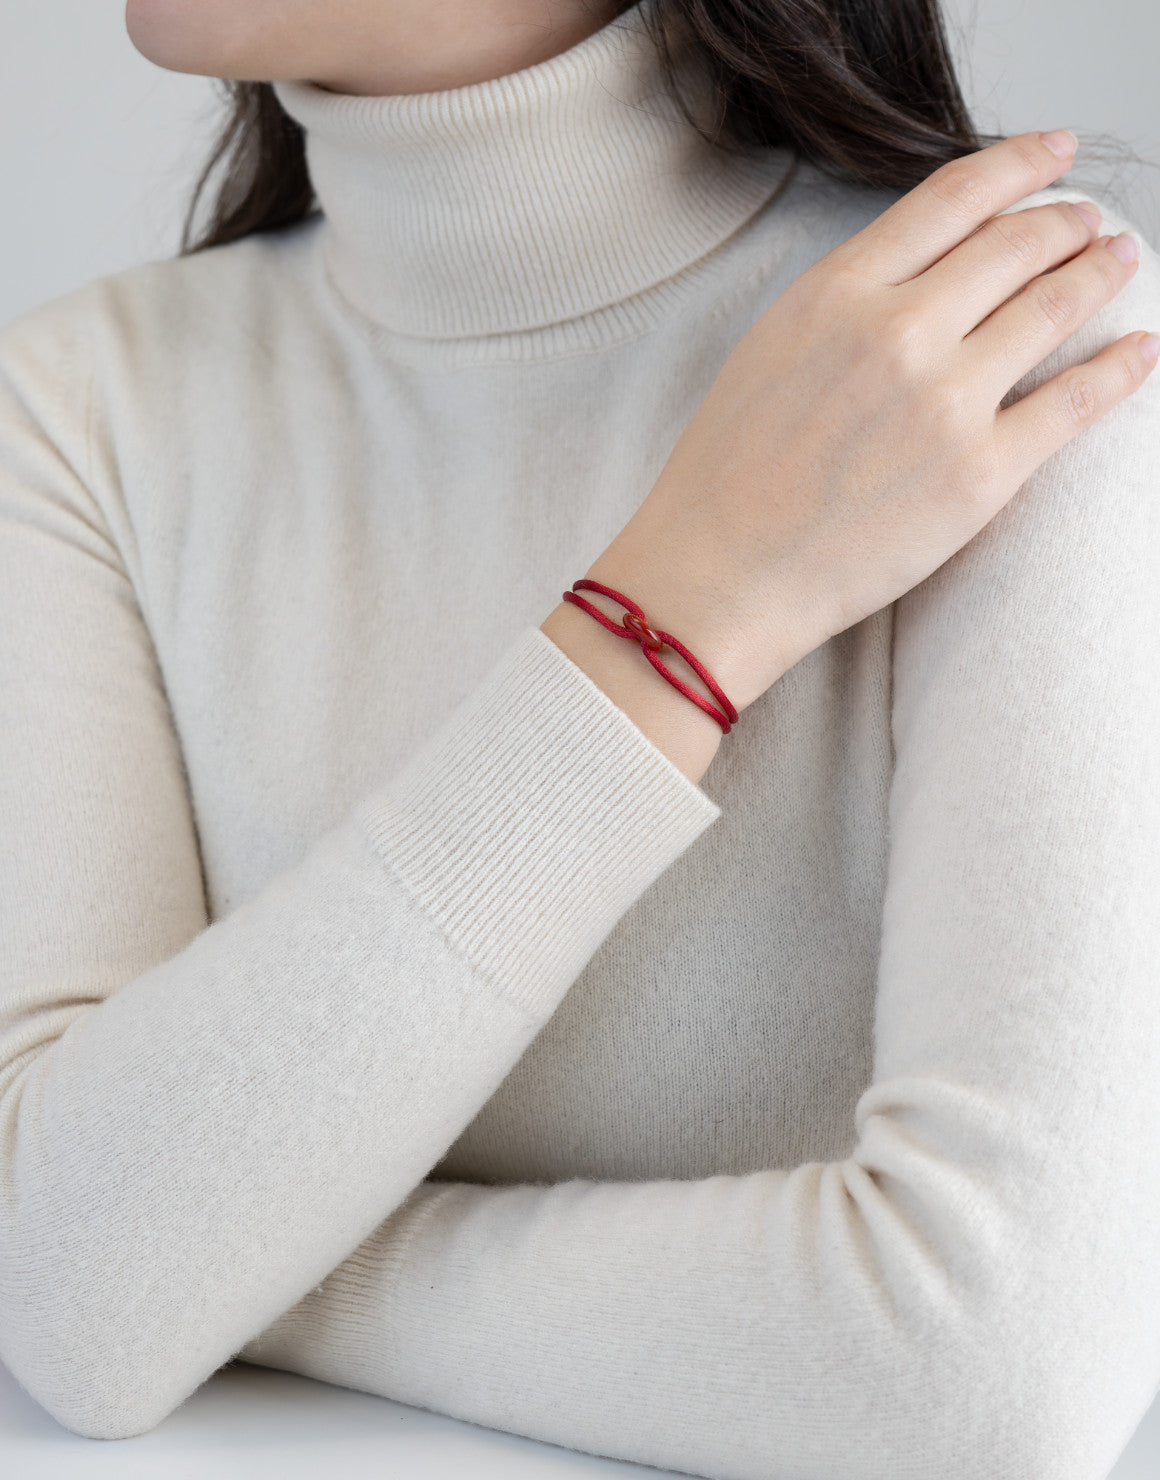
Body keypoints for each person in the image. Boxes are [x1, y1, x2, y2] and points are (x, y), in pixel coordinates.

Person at [1, 0, 1158, 1473]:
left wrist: (212, 1253)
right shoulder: (76, 414)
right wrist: (686, 605)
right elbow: (67, 1284)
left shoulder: (1002, 347)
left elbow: (987, 1369)